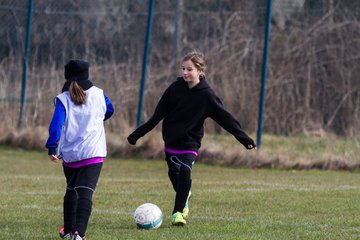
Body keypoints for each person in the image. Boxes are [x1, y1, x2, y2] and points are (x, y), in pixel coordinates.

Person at [127, 51, 256, 226]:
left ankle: (178, 213)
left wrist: (245, 139)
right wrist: (137, 134)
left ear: (200, 71)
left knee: (185, 170)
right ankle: (185, 194)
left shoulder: (206, 95)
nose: (185, 72)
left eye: (189, 69)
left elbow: (226, 118)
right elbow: (158, 115)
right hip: (171, 141)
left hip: (190, 142)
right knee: (175, 175)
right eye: (183, 69)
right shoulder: (174, 89)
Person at [45, 59, 114, 240]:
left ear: (66, 76)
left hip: (71, 155)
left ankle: (68, 231)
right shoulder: (99, 94)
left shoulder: (63, 98)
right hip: (93, 152)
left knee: (71, 190)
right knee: (85, 192)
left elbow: (55, 125)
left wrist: (52, 146)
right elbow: (110, 110)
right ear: (87, 74)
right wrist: (96, 118)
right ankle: (79, 234)